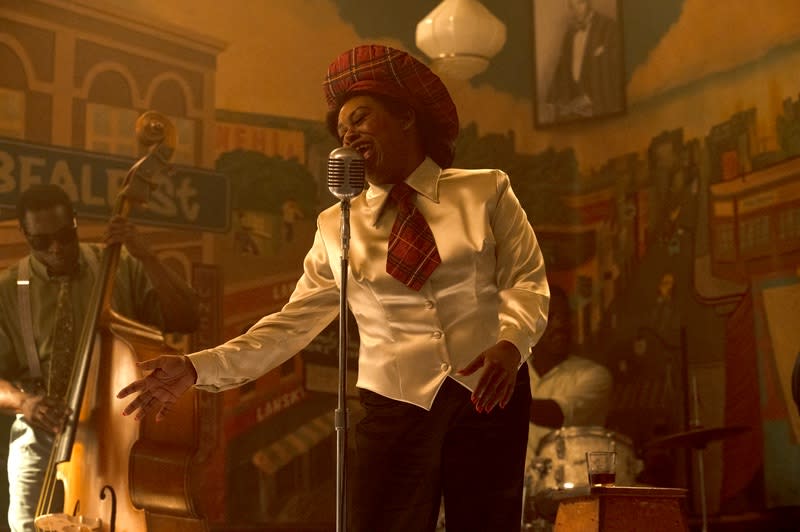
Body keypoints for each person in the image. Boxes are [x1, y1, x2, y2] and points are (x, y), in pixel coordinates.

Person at [117, 44, 550, 532]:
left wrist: (511, 344)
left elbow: (526, 279)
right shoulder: (335, 224)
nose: (348, 134)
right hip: (395, 406)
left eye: (360, 118)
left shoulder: (486, 190)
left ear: (406, 115)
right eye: (342, 130)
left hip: (490, 394)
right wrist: (198, 367)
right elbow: (289, 326)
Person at [0, 184, 200, 532]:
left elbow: (186, 318)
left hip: (114, 432)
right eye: (42, 242)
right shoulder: (7, 288)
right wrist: (24, 403)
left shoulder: (118, 266)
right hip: (39, 433)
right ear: (25, 234)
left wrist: (146, 255)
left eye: (64, 236)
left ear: (75, 222)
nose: (56, 248)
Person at [545, 0, 623, 122]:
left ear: (589, 3)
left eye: (579, 3)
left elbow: (616, 73)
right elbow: (562, 68)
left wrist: (591, 98)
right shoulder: (569, 34)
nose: (575, 10)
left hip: (600, 104)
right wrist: (551, 100)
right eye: (572, 6)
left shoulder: (609, 28)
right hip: (573, 104)